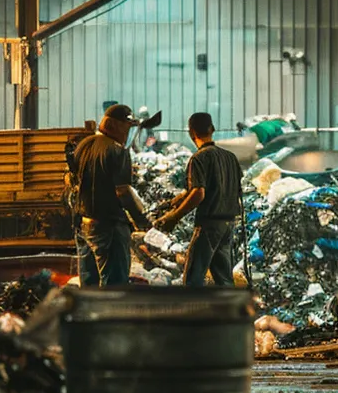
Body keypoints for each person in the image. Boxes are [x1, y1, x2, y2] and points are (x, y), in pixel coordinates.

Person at [153, 113, 243, 287]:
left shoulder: (199, 158)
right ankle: (228, 313)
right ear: (213, 129)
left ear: (191, 132)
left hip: (209, 225)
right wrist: (172, 203)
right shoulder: (230, 158)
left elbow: (198, 193)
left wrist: (173, 217)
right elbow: (205, 189)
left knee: (193, 278)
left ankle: (191, 313)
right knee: (224, 279)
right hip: (229, 225)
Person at [71, 104, 151, 287]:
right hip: (109, 227)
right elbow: (122, 190)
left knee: (88, 286)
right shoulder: (117, 151)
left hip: (84, 224)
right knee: (114, 287)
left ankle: (87, 315)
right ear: (114, 125)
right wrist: (142, 220)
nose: (127, 132)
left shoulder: (84, 145)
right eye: (126, 126)